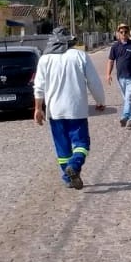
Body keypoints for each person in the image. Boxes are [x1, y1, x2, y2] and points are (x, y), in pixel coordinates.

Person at [33, 26, 106, 190]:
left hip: (55, 112)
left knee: (62, 146)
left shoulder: (45, 59)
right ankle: (74, 165)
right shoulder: (80, 56)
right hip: (76, 110)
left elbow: (38, 87)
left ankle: (68, 178)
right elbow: (94, 82)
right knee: (82, 143)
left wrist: (38, 108)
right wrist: (100, 101)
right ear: (70, 41)